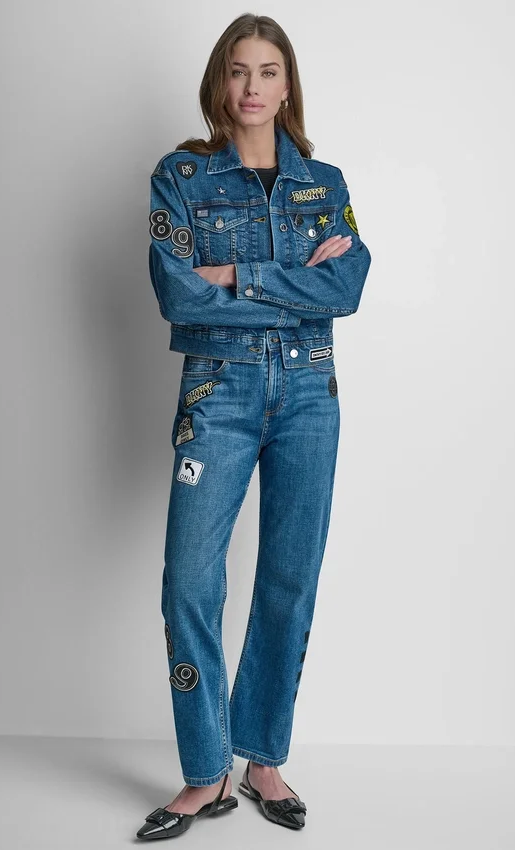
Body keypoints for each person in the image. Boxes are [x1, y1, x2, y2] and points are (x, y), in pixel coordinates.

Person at [136, 12, 372, 840]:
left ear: (286, 84)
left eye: (268, 71)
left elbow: (347, 288)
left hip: (309, 392)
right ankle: (206, 773)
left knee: (288, 578)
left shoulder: (324, 184)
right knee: (188, 582)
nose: (251, 87)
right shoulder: (181, 176)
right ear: (219, 80)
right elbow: (177, 294)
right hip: (218, 392)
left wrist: (234, 274)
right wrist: (289, 282)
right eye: (239, 70)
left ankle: (262, 759)